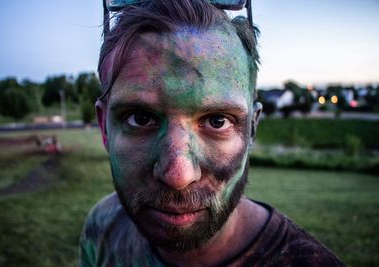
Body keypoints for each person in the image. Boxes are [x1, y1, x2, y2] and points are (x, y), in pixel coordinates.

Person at [79, 0, 345, 266]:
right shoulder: (102, 228)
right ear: (104, 127)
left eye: (217, 121)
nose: (178, 175)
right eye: (140, 118)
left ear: (251, 128)